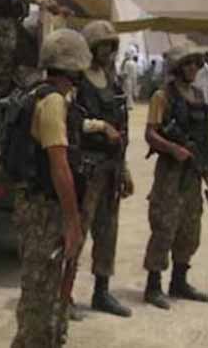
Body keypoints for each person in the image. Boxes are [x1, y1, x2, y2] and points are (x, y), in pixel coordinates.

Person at [9, 28, 89, 348]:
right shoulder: (53, 101)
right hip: (45, 209)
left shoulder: (36, 94)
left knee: (43, 291)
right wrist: (72, 222)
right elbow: (59, 166)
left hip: (34, 204)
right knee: (40, 300)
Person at [141, 42, 208, 310]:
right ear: (178, 68)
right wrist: (173, 149)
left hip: (192, 172)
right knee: (164, 226)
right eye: (187, 63)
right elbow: (150, 133)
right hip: (170, 172)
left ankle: (179, 281)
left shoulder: (199, 96)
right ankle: (153, 285)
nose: (193, 68)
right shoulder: (162, 96)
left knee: (190, 227)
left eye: (196, 63)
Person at [76, 21, 133, 317]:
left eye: (111, 45)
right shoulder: (78, 80)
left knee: (108, 232)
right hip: (87, 166)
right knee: (77, 230)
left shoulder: (113, 81)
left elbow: (122, 127)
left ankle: (102, 291)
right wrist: (99, 127)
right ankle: (64, 293)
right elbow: (71, 120)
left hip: (111, 166)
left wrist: (124, 169)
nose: (107, 51)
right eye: (102, 45)